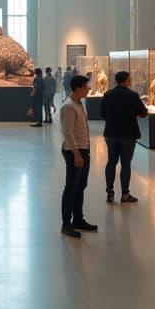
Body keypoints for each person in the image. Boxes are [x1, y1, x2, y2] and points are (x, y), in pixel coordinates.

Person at [102, 70, 148, 203]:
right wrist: (133, 115)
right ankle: (125, 193)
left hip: (111, 133)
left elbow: (103, 113)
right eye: (130, 79)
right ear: (126, 80)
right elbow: (143, 112)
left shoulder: (108, 94)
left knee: (111, 162)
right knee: (125, 163)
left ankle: (110, 191)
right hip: (128, 134)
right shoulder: (132, 95)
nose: (131, 81)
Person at [59, 74, 96, 238]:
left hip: (83, 150)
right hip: (75, 151)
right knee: (71, 188)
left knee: (81, 186)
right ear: (78, 88)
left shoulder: (79, 104)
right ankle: (66, 223)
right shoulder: (68, 107)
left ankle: (78, 219)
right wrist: (76, 154)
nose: (88, 89)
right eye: (86, 87)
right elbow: (67, 133)